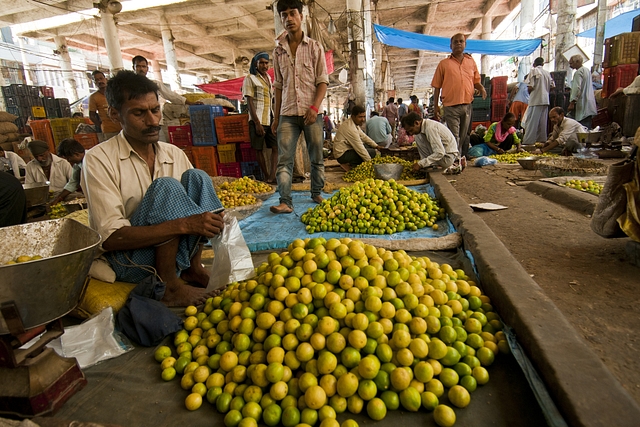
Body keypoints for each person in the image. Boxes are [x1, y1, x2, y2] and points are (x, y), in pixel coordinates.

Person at [82, 70, 225, 307]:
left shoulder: (173, 154)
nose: (152, 121)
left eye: (155, 110)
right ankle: (169, 286)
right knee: (166, 186)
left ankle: (193, 268)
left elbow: (198, 208)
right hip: (131, 260)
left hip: (178, 253)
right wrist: (184, 225)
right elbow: (111, 238)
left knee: (197, 177)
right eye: (139, 113)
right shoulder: (98, 159)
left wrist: (214, 220)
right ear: (115, 114)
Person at [270, 0, 329, 214]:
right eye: (284, 15)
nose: (288, 19)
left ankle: (317, 192)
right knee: (284, 160)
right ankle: (285, 201)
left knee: (316, 156)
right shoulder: (278, 52)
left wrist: (314, 108)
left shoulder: (314, 47)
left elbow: (322, 81)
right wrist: (275, 118)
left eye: (292, 13)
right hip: (286, 113)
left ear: (301, 16)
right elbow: (278, 86)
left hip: (311, 112)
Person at [431, 33, 487, 158]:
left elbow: (476, 81)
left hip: (467, 104)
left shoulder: (471, 62)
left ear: (465, 44)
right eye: (455, 42)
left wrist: (481, 88)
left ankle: (461, 156)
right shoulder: (444, 64)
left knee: (464, 134)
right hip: (450, 106)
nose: (458, 44)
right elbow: (436, 86)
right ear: (450, 46)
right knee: (454, 135)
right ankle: (455, 158)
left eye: (461, 41)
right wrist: (435, 106)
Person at [242, 52, 277, 184]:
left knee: (275, 147)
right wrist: (256, 123)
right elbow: (249, 101)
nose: (264, 65)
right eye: (261, 62)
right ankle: (266, 176)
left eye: (266, 63)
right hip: (258, 119)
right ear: (256, 64)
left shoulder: (268, 77)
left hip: (269, 118)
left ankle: (272, 176)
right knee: (259, 149)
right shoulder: (250, 79)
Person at [132, 55, 199, 106]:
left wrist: (190, 103)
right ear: (133, 68)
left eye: (143, 66)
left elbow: (171, 95)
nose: (141, 69)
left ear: (147, 68)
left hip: (153, 120)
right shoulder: (128, 85)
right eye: (138, 66)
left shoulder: (155, 84)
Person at [333, 105, 380, 171]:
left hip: (347, 150)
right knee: (371, 152)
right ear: (353, 116)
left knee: (369, 147)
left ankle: (350, 163)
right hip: (342, 154)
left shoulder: (354, 124)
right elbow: (360, 148)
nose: (363, 119)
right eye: (360, 117)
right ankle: (350, 165)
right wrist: (370, 164)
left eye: (364, 117)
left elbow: (363, 136)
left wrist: (376, 146)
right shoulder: (350, 128)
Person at [522, 57, 554, 146]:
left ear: (534, 64)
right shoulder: (547, 73)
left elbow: (530, 86)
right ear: (543, 64)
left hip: (536, 99)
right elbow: (552, 86)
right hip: (545, 100)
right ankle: (541, 141)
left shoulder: (534, 71)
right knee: (542, 122)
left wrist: (530, 92)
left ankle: (528, 142)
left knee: (532, 121)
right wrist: (545, 90)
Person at [50, 138, 85, 205]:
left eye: (68, 158)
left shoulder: (93, 159)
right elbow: (73, 183)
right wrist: (59, 198)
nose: (68, 161)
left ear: (77, 154)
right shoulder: (77, 165)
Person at [89, 71, 122, 141]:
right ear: (94, 83)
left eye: (101, 78)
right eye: (97, 80)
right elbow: (92, 115)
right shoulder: (94, 97)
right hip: (108, 131)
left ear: (106, 79)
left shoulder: (115, 93)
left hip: (123, 128)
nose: (100, 81)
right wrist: (100, 124)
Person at [568, 55, 597, 129]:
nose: (570, 65)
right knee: (587, 127)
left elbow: (577, 88)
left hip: (583, 104)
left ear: (577, 62)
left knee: (582, 129)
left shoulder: (578, 72)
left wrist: (572, 102)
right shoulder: (586, 70)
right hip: (588, 103)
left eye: (571, 63)